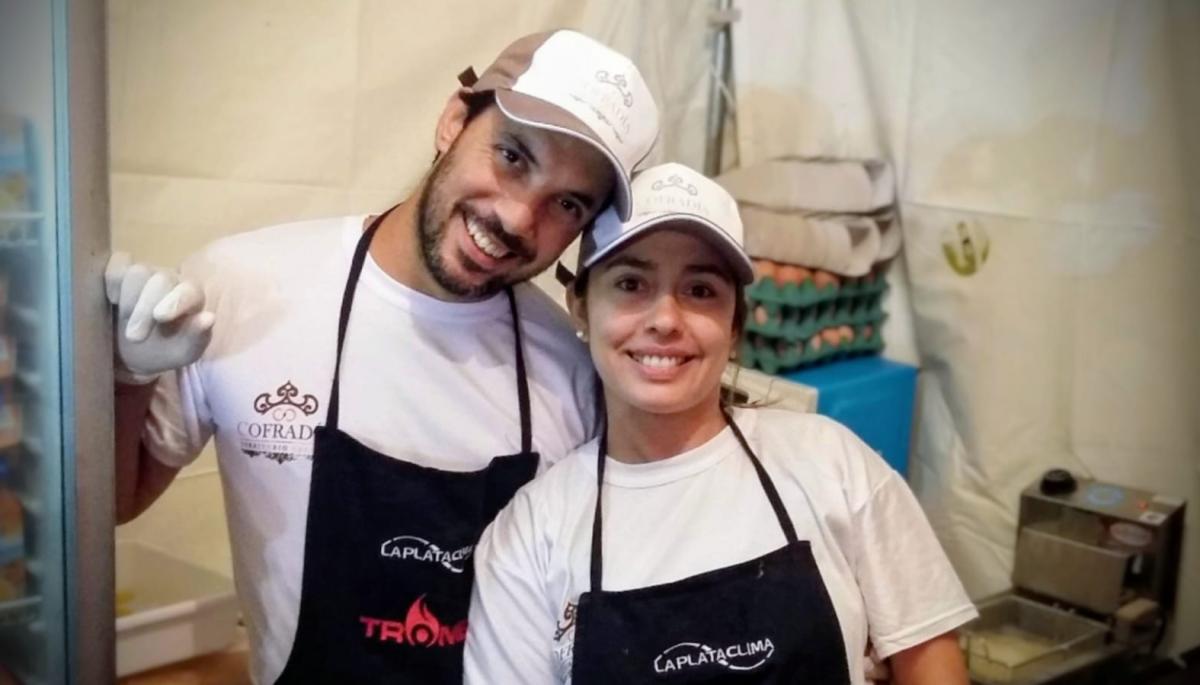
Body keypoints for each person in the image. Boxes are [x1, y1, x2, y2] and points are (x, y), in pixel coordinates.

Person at [105, 30, 659, 684]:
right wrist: (128, 378)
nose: (517, 216)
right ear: (454, 121)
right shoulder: (242, 288)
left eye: (569, 203)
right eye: (513, 156)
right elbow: (120, 496)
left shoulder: (571, 368)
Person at [464, 162, 977, 684]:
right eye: (631, 283)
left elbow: (930, 661)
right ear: (581, 307)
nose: (665, 319)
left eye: (701, 290)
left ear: (734, 327)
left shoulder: (832, 464)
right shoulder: (531, 536)